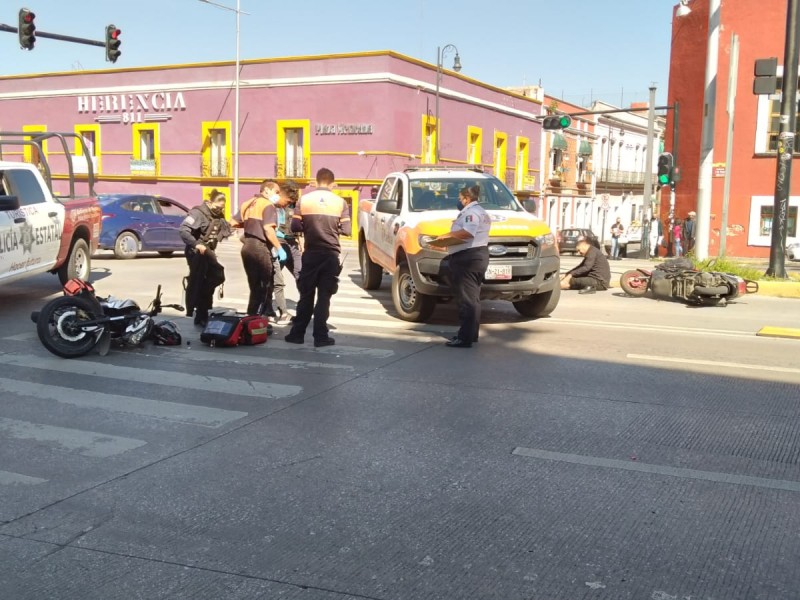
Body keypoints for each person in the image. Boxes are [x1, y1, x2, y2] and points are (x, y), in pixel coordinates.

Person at [284, 168, 351, 347]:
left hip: (311, 253)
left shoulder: (304, 200)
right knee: (324, 297)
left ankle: (297, 334)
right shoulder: (340, 202)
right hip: (330, 255)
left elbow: (296, 226)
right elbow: (347, 230)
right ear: (332, 183)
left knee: (306, 295)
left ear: (317, 180)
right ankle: (321, 337)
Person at [430, 184, 491, 348]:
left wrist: (446, 236)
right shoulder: (482, 212)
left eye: (460, 199)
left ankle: (464, 338)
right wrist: (445, 245)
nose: (459, 201)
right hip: (477, 255)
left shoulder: (470, 213)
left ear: (467, 198)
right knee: (473, 299)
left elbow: (467, 233)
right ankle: (471, 334)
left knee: (467, 300)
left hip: (467, 259)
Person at [230, 179, 285, 317]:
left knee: (254, 287)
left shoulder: (247, 203)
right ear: (267, 190)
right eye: (276, 192)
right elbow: (268, 229)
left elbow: (233, 222)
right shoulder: (267, 205)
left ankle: (251, 317)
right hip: (260, 248)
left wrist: (252, 226)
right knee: (263, 287)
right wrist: (279, 248)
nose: (278, 195)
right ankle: (256, 321)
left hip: (247, 247)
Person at [180, 190, 231, 327]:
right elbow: (183, 231)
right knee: (198, 282)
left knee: (217, 276)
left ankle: (202, 308)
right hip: (196, 252)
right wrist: (197, 245)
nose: (219, 210)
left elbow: (224, 228)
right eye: (217, 207)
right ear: (209, 203)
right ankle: (200, 314)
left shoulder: (217, 214)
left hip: (208, 251)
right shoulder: (197, 213)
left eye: (221, 208)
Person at [270, 181, 301, 322]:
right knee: (276, 281)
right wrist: (277, 246)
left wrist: (301, 242)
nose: (289, 204)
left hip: (291, 243)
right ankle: (279, 312)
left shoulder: (293, 205)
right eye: (288, 200)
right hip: (277, 244)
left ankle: (303, 309)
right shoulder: (270, 205)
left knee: (301, 275)